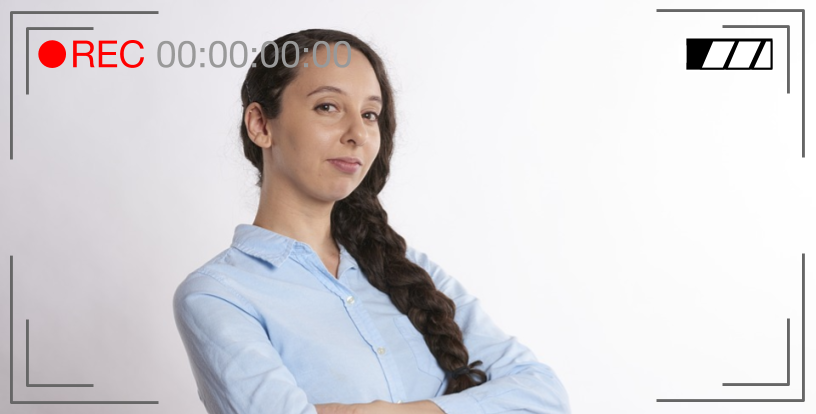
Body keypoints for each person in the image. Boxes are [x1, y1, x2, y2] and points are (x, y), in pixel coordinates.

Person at [173, 28, 571, 414]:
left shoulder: (408, 270)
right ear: (261, 125)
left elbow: (543, 394)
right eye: (327, 106)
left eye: (369, 114)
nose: (358, 134)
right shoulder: (218, 295)